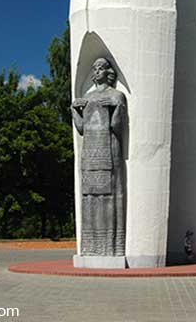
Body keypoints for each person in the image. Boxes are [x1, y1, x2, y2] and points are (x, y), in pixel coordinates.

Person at [71, 57, 127, 257]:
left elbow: (117, 127)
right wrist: (75, 111)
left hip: (109, 154)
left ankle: (111, 247)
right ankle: (90, 246)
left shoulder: (117, 95)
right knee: (90, 198)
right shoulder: (88, 97)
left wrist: (116, 107)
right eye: (93, 68)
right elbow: (82, 129)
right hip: (89, 157)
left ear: (108, 72)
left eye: (99, 68)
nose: (95, 71)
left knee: (109, 198)